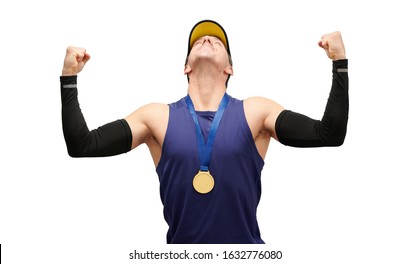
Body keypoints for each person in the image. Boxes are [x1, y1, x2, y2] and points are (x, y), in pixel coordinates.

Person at [60, 20, 349, 244]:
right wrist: (69, 78)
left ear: (230, 69)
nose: (207, 39)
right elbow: (83, 145)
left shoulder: (257, 112)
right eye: (198, 40)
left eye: (217, 41)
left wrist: (340, 62)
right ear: (186, 66)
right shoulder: (155, 117)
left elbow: (328, 134)